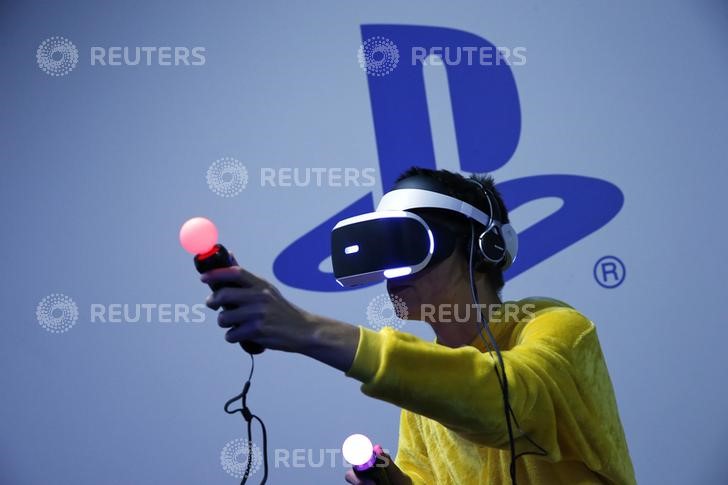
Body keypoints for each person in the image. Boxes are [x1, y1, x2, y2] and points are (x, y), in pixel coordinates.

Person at [202, 167, 636, 484]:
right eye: (384, 254)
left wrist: (308, 331)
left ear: (482, 249)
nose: (393, 273)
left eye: (408, 245)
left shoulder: (556, 327)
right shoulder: (421, 393)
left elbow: (504, 401)